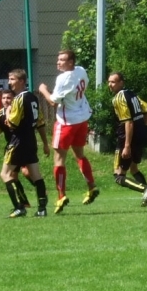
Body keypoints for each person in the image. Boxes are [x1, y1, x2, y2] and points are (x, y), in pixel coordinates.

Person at [38, 50, 97, 213]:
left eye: (62, 60)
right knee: (80, 154)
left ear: (71, 62)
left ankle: (61, 196)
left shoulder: (63, 78)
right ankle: (91, 186)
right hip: (82, 118)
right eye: (58, 59)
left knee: (59, 159)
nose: (58, 62)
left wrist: (43, 89)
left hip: (67, 122)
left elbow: (52, 102)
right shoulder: (81, 70)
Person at [3, 69, 50, 217]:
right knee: (36, 175)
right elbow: (40, 122)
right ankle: (42, 209)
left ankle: (19, 206)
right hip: (31, 140)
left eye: (12, 79)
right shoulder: (33, 98)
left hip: (18, 141)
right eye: (9, 79)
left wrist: (8, 111)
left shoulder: (18, 99)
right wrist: (45, 143)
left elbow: (12, 124)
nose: (9, 82)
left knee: (5, 174)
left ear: (22, 81)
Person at [107, 72, 147, 206]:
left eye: (114, 82)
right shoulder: (132, 94)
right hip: (140, 134)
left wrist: (127, 145)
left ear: (121, 83)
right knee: (133, 168)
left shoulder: (118, 98)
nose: (110, 85)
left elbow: (128, 122)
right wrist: (143, 125)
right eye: (109, 81)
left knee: (118, 176)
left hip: (126, 136)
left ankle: (146, 189)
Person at [0, 88, 31, 210]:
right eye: (3, 98)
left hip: (25, 145)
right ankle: (23, 202)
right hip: (11, 147)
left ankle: (39, 191)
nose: (6, 100)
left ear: (14, 99)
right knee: (13, 175)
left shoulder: (19, 112)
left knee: (25, 173)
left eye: (8, 98)